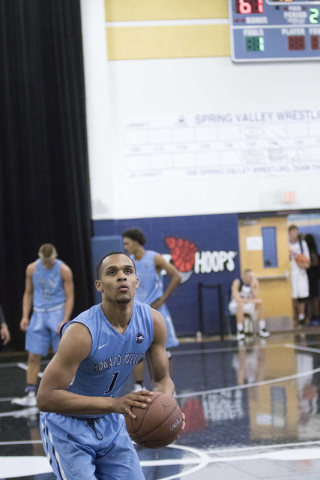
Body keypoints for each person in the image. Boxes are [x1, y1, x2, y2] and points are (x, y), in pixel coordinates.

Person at [37, 251, 184, 480]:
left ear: (136, 281)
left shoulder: (153, 322)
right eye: (112, 272)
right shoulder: (81, 333)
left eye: (127, 271)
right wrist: (114, 404)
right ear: (99, 285)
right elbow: (46, 398)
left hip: (111, 421)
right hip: (67, 425)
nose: (121, 277)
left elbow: (162, 379)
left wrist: (166, 406)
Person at [12, 243, 74, 407]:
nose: (47, 264)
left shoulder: (64, 269)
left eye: (50, 261)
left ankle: (63, 392)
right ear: (40, 257)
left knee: (62, 356)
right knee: (33, 355)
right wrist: (25, 316)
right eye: (44, 261)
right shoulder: (32, 268)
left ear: (55, 256)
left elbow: (70, 295)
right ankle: (30, 393)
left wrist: (65, 319)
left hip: (57, 312)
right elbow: (28, 292)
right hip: (38, 313)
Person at [122, 228, 181, 391]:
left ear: (135, 242)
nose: (125, 246)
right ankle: (138, 386)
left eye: (127, 243)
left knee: (164, 350)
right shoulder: (128, 261)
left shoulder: (155, 258)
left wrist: (162, 299)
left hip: (156, 312)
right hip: (136, 313)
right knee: (135, 350)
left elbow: (177, 276)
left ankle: (167, 386)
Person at [229, 269, 270, 341]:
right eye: (250, 276)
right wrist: (248, 300)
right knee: (240, 305)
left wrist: (253, 287)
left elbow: (256, 297)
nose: (251, 278)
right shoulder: (237, 282)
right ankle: (240, 331)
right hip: (235, 305)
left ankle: (262, 329)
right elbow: (238, 299)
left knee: (259, 302)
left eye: (252, 277)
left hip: (247, 304)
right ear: (244, 276)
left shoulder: (253, 284)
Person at [288, 225, 310, 326]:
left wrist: (301, 261)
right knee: (293, 296)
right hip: (291, 273)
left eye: (296, 232)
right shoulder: (285, 244)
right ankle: (294, 316)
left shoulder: (302, 244)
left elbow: (307, 260)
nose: (294, 234)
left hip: (301, 273)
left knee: (302, 296)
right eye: (292, 232)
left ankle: (301, 317)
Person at [304, 233, 320, 324]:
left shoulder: (312, 253)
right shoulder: (314, 251)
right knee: (312, 298)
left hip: (311, 277)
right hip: (312, 277)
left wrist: (306, 264)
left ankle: (315, 316)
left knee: (313, 298)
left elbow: (315, 263)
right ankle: (313, 316)